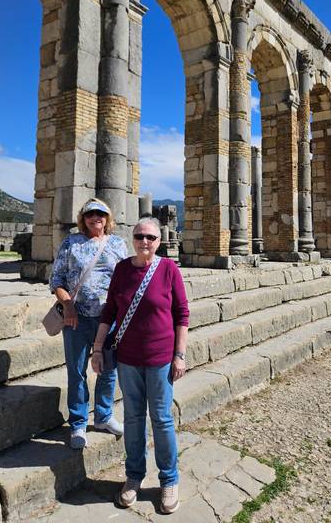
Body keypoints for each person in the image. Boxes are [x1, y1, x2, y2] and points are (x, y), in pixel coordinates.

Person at [91, 216, 189, 515]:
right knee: (133, 419)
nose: (144, 241)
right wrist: (97, 348)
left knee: (161, 419)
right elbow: (109, 310)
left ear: (159, 241)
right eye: (139, 236)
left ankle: (168, 480)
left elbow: (182, 314)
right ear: (132, 239)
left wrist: (179, 355)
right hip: (128, 359)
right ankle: (133, 476)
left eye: (150, 237)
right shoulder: (122, 269)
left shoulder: (169, 269)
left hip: (160, 359)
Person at [50, 198, 127, 449]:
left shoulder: (117, 243)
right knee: (77, 370)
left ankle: (104, 416)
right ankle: (79, 423)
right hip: (77, 317)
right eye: (90, 214)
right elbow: (56, 280)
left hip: (110, 318)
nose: (96, 217)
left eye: (101, 214)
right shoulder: (71, 242)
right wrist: (68, 304)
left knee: (108, 368)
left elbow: (126, 279)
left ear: (108, 218)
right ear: (83, 218)